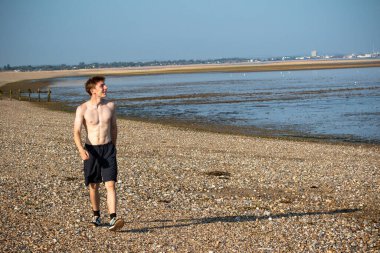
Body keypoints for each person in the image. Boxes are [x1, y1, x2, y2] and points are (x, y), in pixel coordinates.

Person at [73, 76, 124, 231]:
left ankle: (113, 218)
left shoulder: (110, 106)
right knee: (94, 185)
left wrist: (113, 147)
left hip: (108, 149)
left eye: (105, 85)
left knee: (110, 184)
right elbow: (76, 131)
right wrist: (81, 150)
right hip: (92, 150)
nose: (106, 88)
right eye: (102, 86)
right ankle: (96, 215)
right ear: (93, 90)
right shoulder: (83, 109)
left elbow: (114, 127)